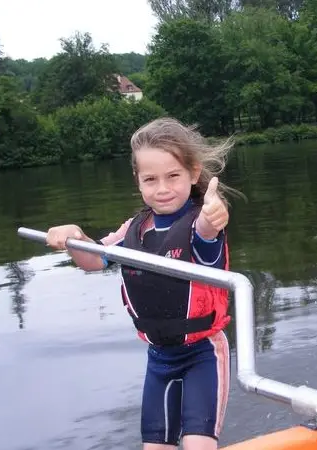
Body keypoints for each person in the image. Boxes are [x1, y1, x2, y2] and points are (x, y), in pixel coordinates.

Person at [45, 117, 242, 450]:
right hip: (160, 359)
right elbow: (93, 261)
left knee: (197, 444)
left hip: (203, 355)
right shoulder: (133, 230)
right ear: (138, 180)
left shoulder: (202, 222)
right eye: (150, 179)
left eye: (173, 176)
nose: (162, 189)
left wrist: (213, 219)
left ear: (193, 174)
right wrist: (75, 237)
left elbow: (207, 236)